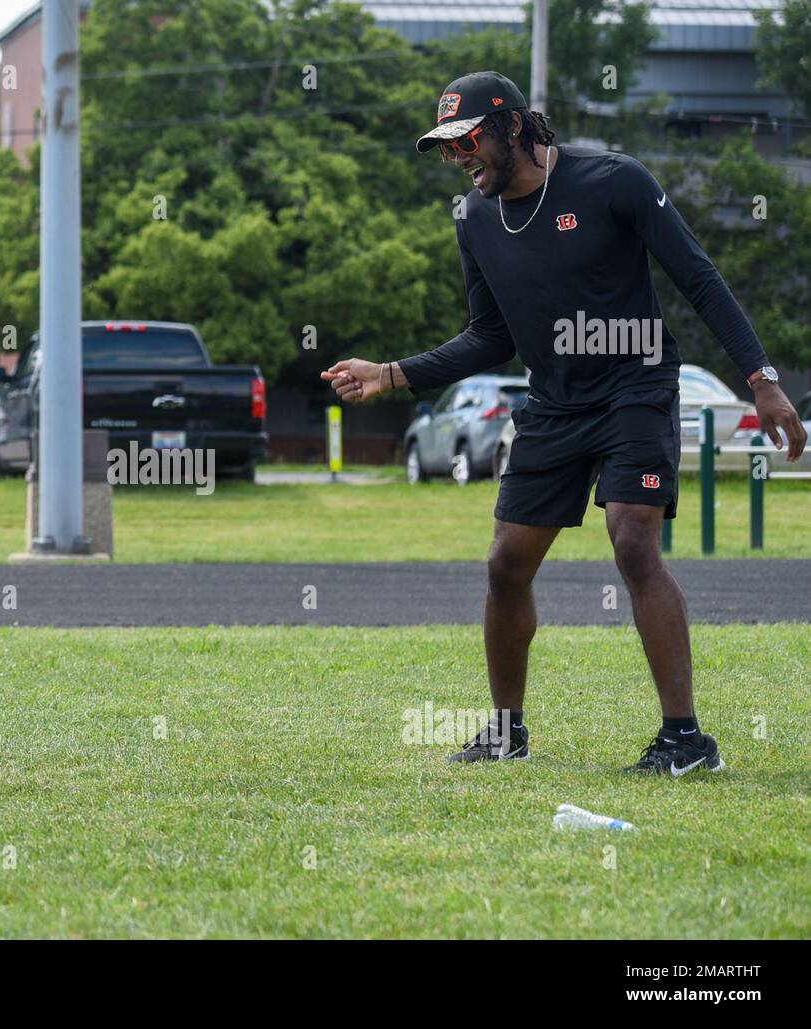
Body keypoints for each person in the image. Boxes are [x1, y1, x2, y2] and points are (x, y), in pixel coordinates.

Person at [323, 72, 806, 774]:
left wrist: (761, 380)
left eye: (468, 141)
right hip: (551, 404)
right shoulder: (476, 219)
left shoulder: (616, 181)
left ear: (512, 126)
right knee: (504, 565)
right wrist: (391, 372)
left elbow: (699, 278)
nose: (459, 157)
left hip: (635, 389)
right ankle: (506, 731)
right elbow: (490, 337)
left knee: (633, 541)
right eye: (447, 148)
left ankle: (685, 740)